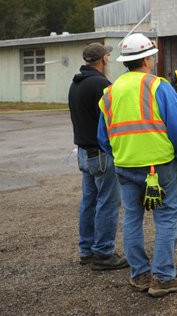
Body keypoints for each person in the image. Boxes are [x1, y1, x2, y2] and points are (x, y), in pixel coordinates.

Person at [97, 33, 177, 298]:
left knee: (133, 217)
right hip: (160, 165)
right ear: (147, 59)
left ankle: (140, 274)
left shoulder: (109, 92)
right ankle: (162, 276)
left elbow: (103, 137)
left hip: (126, 166)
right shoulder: (158, 87)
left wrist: (121, 155)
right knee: (166, 217)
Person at [68, 42, 128, 271]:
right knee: (108, 203)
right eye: (108, 56)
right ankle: (103, 253)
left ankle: (86, 250)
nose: (109, 59)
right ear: (103, 59)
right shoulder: (101, 84)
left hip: (83, 152)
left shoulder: (76, 83)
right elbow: (111, 119)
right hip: (101, 153)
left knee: (89, 202)